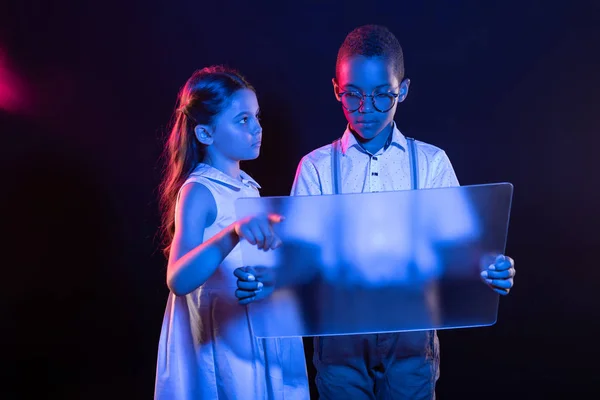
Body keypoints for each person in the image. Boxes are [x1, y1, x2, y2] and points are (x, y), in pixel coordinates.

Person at [235, 25, 516, 399]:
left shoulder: (431, 162)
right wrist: (267, 280)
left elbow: (458, 249)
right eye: (353, 95)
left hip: (412, 335)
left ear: (404, 90)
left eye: (383, 95)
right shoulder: (316, 167)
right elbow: (301, 259)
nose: (366, 109)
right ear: (337, 89)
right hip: (339, 337)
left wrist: (489, 266)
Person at [154, 66, 309, 400]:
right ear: (206, 134)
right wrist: (232, 233)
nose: (257, 128)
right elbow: (179, 279)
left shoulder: (248, 190)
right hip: (221, 347)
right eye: (242, 120)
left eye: (257, 117)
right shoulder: (199, 190)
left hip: (250, 334)